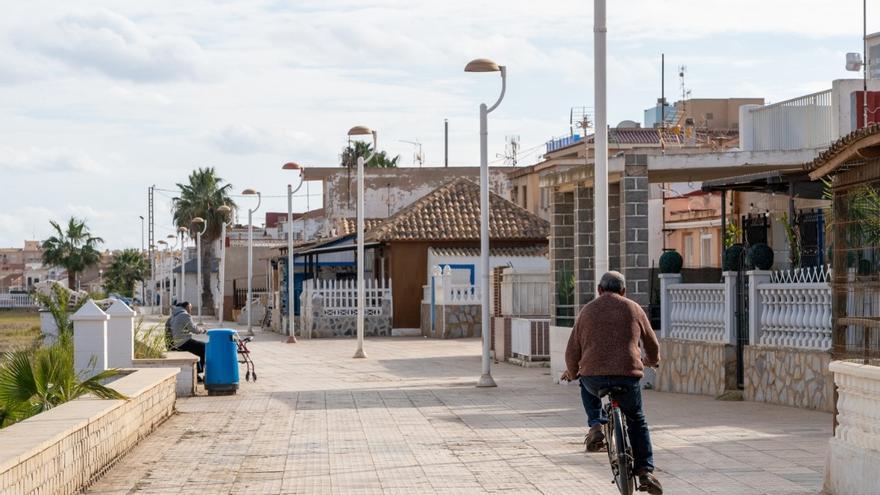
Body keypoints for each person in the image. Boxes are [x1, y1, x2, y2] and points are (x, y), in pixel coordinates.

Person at [561, 271, 663, 495]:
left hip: (594, 378)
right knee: (637, 419)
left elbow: (572, 351)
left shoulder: (587, 311)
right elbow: (652, 343)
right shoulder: (633, 308)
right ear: (624, 291)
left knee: (583, 380)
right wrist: (652, 361)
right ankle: (645, 471)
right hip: (627, 375)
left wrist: (571, 372)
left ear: (599, 290)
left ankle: (596, 425)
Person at [166, 302, 207, 377]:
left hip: (174, 343)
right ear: (187, 306)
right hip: (183, 343)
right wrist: (203, 330)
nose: (191, 310)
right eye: (190, 308)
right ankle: (199, 371)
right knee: (204, 346)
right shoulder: (185, 315)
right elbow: (194, 329)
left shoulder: (172, 317)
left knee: (196, 348)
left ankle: (198, 370)